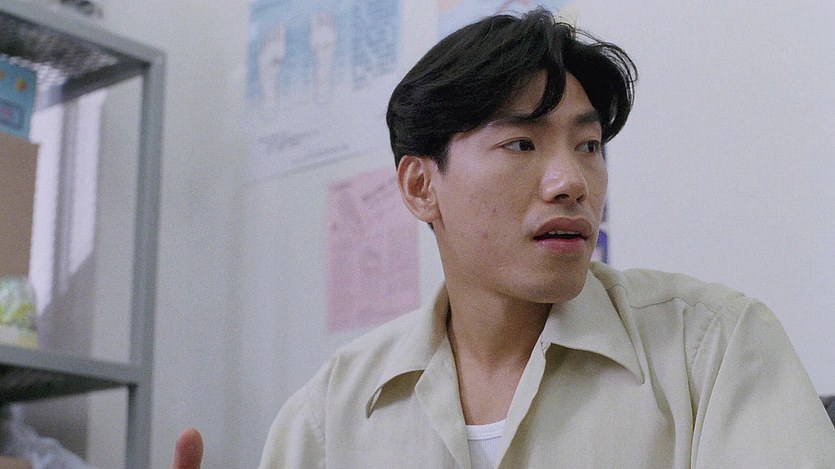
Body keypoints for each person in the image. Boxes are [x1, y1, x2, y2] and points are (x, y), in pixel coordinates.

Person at [173, 8, 835, 468]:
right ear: (420, 186)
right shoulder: (331, 414)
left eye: (588, 145)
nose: (571, 182)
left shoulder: (713, 348)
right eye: (521, 143)